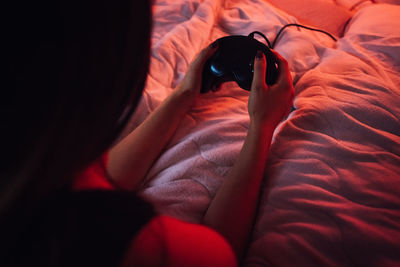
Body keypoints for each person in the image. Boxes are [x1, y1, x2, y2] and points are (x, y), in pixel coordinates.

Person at [1, 0, 293, 266]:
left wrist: (182, 96)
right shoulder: (139, 248)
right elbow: (219, 252)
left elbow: (103, 181)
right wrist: (262, 125)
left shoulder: (32, 162)